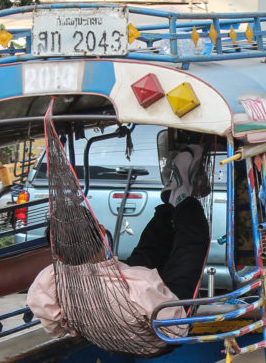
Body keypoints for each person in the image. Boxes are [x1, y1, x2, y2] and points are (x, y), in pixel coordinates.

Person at [27, 144, 211, 340]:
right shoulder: (141, 282)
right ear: (102, 232)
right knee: (188, 252)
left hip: (114, 315)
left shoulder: (46, 284)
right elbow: (176, 330)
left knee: (145, 257)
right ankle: (183, 201)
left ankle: (172, 202)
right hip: (152, 338)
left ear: (57, 254)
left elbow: (55, 330)